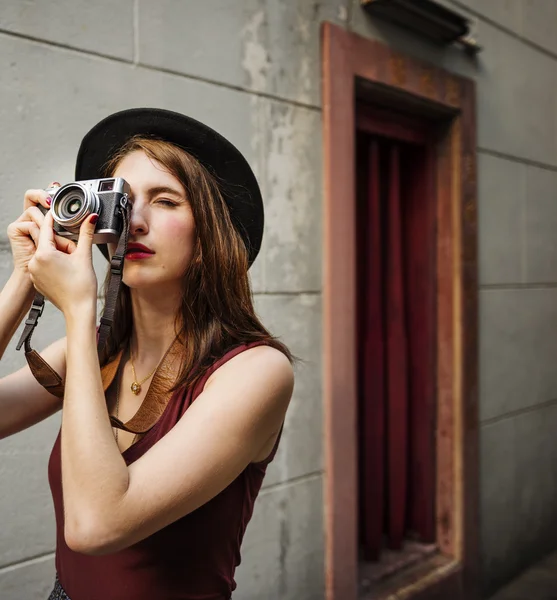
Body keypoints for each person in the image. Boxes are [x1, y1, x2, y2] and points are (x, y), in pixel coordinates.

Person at [0, 108, 295, 600]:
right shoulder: (96, 351)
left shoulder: (256, 371)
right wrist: (22, 278)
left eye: (165, 201)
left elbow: (96, 527)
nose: (133, 220)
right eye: (123, 200)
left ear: (209, 237)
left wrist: (78, 311)